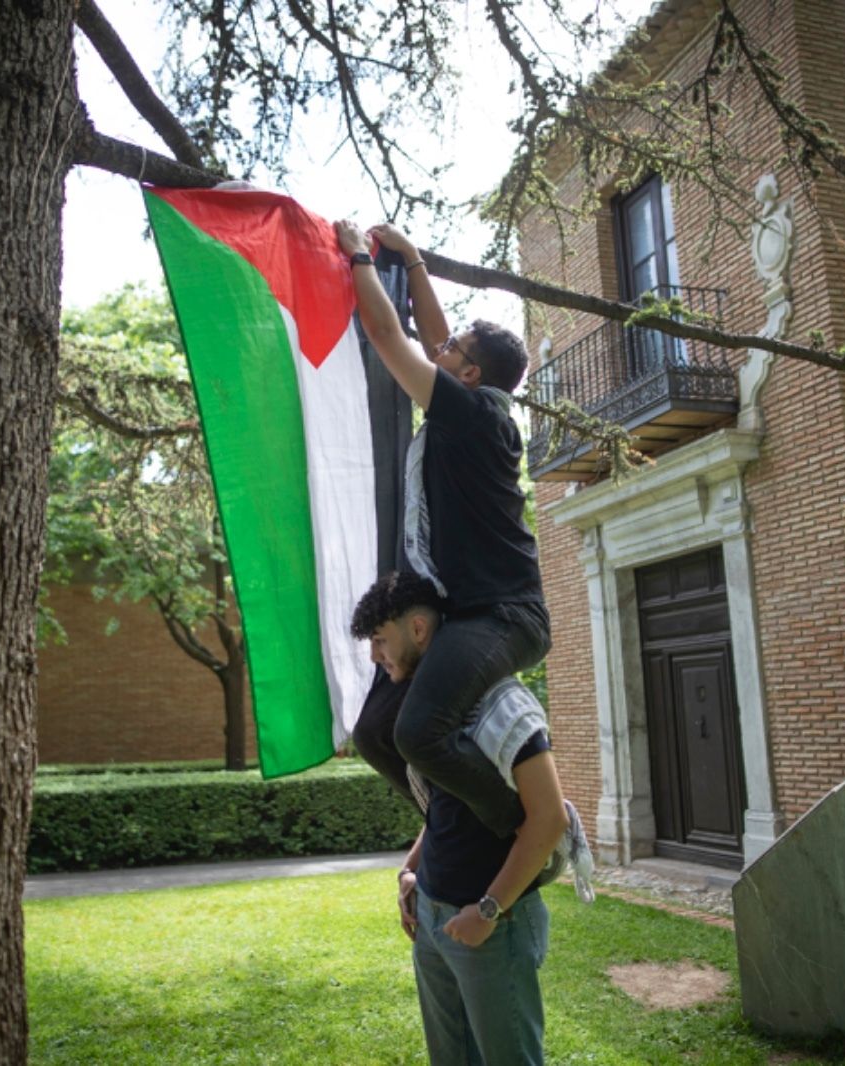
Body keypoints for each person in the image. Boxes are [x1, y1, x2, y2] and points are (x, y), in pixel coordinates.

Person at [334, 219, 550, 840]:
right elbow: (432, 342)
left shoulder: (477, 413)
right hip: (468, 616)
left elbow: (386, 332)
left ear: (472, 375)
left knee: (416, 731)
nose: (441, 349)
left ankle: (515, 829)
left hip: (506, 617)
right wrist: (415, 260)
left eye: (455, 350)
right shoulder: (472, 404)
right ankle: (446, 819)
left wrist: (359, 259)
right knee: (376, 732)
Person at [352, 572, 567, 1066]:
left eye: (381, 640)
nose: (374, 656)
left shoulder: (504, 702)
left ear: (420, 630)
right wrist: (412, 870)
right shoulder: (425, 712)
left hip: (493, 925)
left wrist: (487, 912)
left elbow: (549, 818)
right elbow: (444, 806)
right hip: (432, 916)